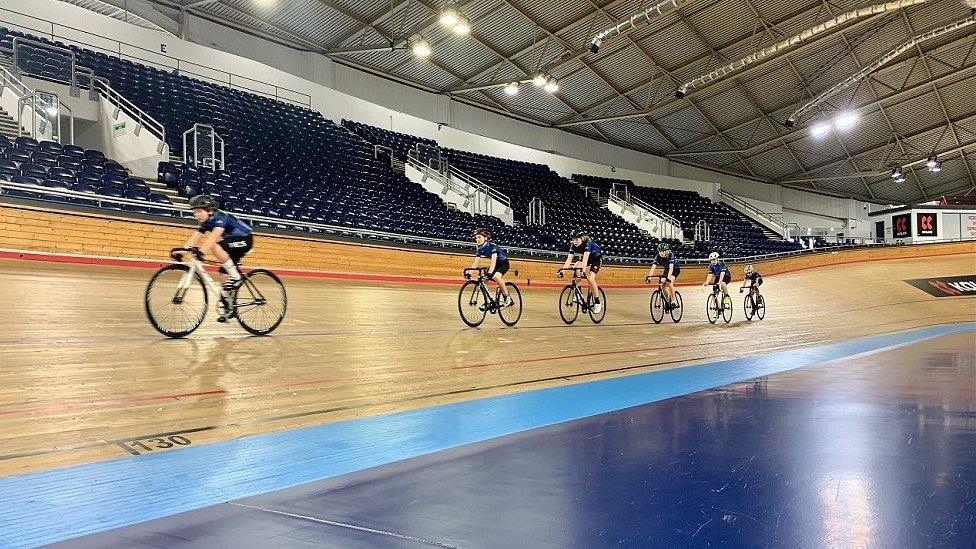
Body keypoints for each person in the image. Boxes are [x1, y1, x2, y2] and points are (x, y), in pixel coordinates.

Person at [182, 195, 253, 312]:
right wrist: (182, 251)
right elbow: (194, 238)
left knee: (215, 245)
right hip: (232, 243)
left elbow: (214, 237)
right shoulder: (205, 222)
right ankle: (229, 308)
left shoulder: (220, 217)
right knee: (223, 277)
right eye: (194, 212)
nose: (196, 215)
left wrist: (201, 253)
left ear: (209, 210)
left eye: (199, 211)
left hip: (245, 239)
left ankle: (236, 277)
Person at [561, 231, 603, 314]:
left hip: (596, 259)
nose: (574, 241)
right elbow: (569, 260)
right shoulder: (573, 245)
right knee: (576, 265)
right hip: (587, 259)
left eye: (576, 239)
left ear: (581, 238)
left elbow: (585, 259)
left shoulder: (588, 242)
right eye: (573, 240)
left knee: (590, 278)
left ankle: (597, 302)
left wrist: (583, 271)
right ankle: (578, 294)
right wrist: (563, 271)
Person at [471, 228, 513, 307]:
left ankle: (507, 297)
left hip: (503, 263)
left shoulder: (492, 246)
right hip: (496, 265)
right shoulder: (479, 249)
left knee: (496, 276)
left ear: (485, 238)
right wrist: (469, 273)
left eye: (479, 237)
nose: (477, 239)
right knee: (483, 281)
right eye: (476, 238)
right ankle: (488, 301)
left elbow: (493, 261)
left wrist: (490, 273)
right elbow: (476, 262)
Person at [646, 242, 680, 310]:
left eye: (663, 251)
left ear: (667, 251)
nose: (661, 253)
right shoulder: (658, 256)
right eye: (660, 251)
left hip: (675, 269)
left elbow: (671, 268)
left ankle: (674, 301)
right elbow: (653, 268)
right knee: (662, 285)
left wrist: (668, 278)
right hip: (667, 270)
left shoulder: (670, 255)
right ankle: (667, 301)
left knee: (670, 282)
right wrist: (649, 278)